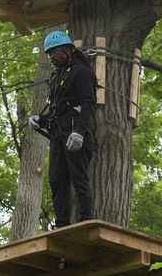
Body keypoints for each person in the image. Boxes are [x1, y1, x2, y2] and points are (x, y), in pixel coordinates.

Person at [29, 30, 95, 228]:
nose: (52, 57)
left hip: (74, 131)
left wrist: (80, 132)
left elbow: (88, 102)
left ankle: (86, 219)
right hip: (58, 133)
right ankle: (62, 222)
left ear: (67, 50)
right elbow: (58, 109)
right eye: (50, 54)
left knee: (78, 177)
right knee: (57, 179)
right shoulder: (57, 76)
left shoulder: (81, 72)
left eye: (55, 53)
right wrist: (40, 119)